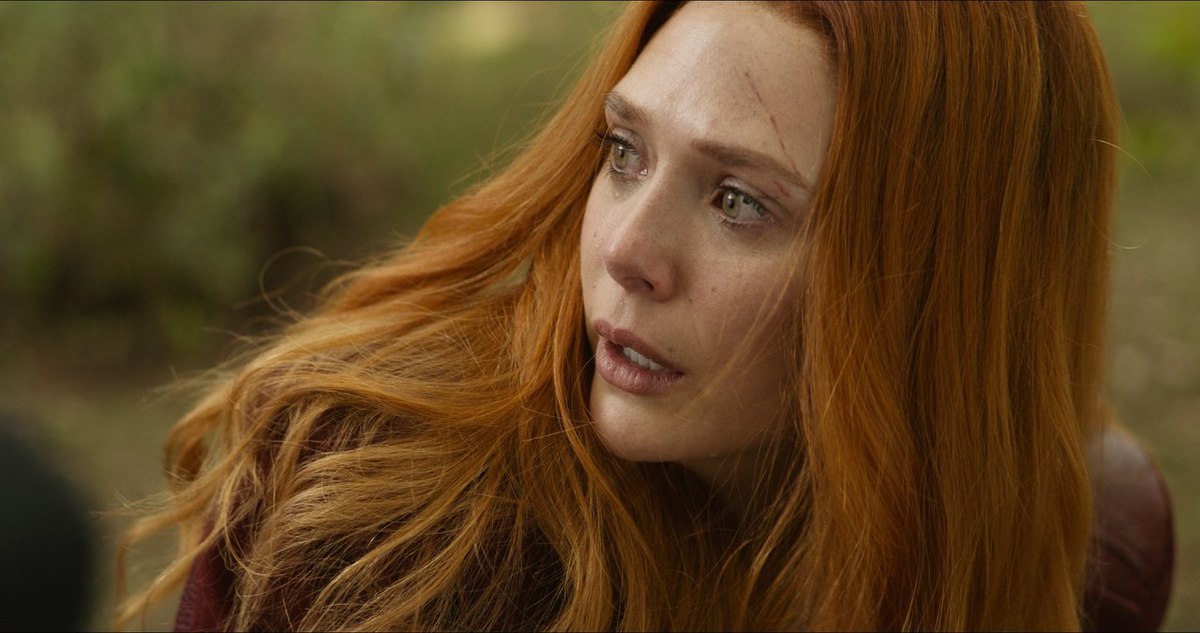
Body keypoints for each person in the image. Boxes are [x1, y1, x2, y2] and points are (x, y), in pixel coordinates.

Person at [117, 1, 1174, 630]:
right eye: (624, 152)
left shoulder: (1089, 550)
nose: (625, 250)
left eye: (739, 201)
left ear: (936, 286)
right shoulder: (376, 517)